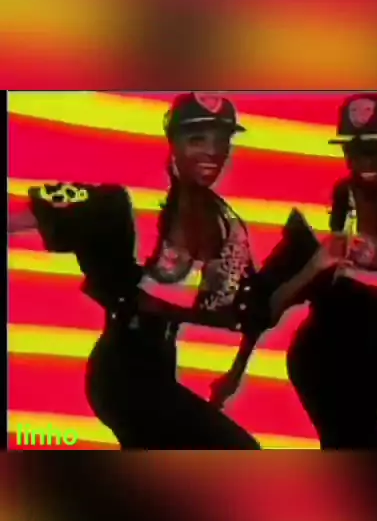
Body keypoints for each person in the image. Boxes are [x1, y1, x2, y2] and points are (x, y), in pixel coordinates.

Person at [211, 93, 377, 450]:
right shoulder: (324, 216)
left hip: (367, 353)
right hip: (322, 358)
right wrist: (235, 372)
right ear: (346, 153)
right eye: (357, 149)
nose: (367, 159)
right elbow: (264, 305)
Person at [8, 92, 261, 450]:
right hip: (122, 371)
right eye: (197, 139)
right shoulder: (126, 203)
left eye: (222, 141)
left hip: (158, 369)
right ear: (173, 142)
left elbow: (248, 307)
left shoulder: (225, 222)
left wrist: (233, 371)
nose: (212, 152)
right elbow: (29, 216)